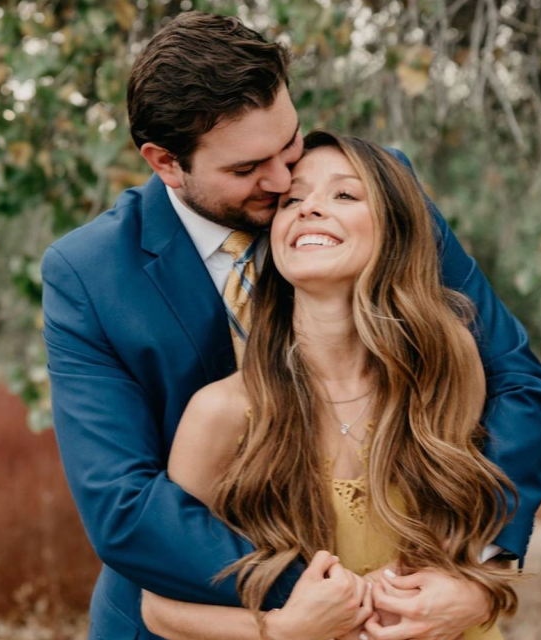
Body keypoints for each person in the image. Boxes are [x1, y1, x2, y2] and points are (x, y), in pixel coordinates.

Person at [40, 12, 541, 640]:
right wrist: (326, 600)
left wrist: (480, 572)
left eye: (287, 143)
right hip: (199, 611)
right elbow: (124, 507)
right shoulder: (89, 274)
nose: (286, 181)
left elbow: (519, 383)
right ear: (166, 163)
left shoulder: (371, 192)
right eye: (247, 169)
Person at [140, 130, 520, 640]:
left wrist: (478, 592)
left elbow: (479, 536)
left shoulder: (448, 365)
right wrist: (280, 630)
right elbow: (159, 608)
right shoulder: (222, 411)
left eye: (344, 194)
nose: (310, 208)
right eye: (292, 201)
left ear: (394, 227)